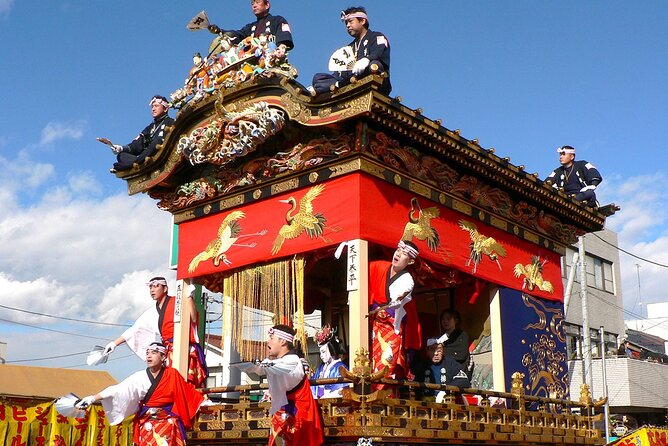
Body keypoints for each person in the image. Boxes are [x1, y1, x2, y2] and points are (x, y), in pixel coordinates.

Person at [75, 342, 204, 446]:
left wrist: (204, 401)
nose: (148, 356)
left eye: (154, 353)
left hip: (168, 423)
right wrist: (92, 398)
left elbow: (187, 393)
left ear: (163, 357)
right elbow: (117, 390)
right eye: (147, 353)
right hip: (147, 423)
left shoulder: (172, 374)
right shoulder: (139, 377)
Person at [103, 277, 208, 388]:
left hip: (184, 347)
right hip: (168, 350)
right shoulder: (151, 312)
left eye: (156, 286)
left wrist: (189, 297)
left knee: (186, 380)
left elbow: (194, 318)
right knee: (168, 381)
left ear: (165, 288)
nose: (152, 290)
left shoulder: (177, 301)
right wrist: (114, 343)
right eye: (150, 287)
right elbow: (135, 329)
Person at [239, 324, 324, 446]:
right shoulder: (282, 362)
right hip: (285, 417)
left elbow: (278, 372)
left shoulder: (293, 362)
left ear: (283, 341)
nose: (268, 341)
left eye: (272, 338)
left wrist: (263, 364)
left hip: (297, 418)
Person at [368, 240, 422, 392]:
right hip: (376, 326)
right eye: (398, 250)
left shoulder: (407, 280)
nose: (398, 254)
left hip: (392, 329)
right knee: (372, 364)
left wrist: (397, 297)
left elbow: (401, 294)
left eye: (404, 253)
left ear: (410, 261)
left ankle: (382, 400)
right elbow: (363, 270)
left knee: (386, 365)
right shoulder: (381, 266)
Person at [311, 7, 391, 95]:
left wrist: (367, 59)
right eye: (346, 23)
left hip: (371, 75)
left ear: (363, 21)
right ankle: (338, 84)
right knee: (318, 78)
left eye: (351, 21)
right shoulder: (349, 48)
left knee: (374, 65)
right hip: (350, 79)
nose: (348, 25)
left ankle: (338, 85)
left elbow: (379, 51)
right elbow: (340, 72)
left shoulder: (376, 36)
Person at [98, 95, 175, 171]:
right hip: (144, 157)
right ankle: (138, 162)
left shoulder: (171, 122)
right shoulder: (149, 127)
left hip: (161, 156)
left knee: (156, 142)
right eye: (152, 107)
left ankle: (134, 163)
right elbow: (137, 144)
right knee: (121, 155)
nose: (153, 109)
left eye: (156, 106)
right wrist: (121, 148)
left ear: (166, 108)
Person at [210, 0, 293, 59]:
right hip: (251, 59)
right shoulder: (250, 27)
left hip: (269, 56)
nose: (254, 5)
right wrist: (220, 31)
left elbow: (284, 35)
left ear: (267, 5)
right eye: (252, 3)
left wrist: (282, 46)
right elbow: (238, 35)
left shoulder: (277, 20)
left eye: (258, 2)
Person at [415, 338, 471, 402]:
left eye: (439, 350)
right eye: (432, 349)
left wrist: (445, 391)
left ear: (443, 350)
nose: (436, 353)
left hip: (446, 402)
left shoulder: (451, 363)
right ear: (427, 351)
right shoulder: (422, 365)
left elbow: (463, 381)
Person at [312, 324, 349, 399]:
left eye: (323, 352)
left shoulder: (341, 367)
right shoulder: (320, 368)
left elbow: (341, 389)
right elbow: (313, 387)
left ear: (332, 350)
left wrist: (325, 396)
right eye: (320, 353)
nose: (321, 355)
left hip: (332, 401)